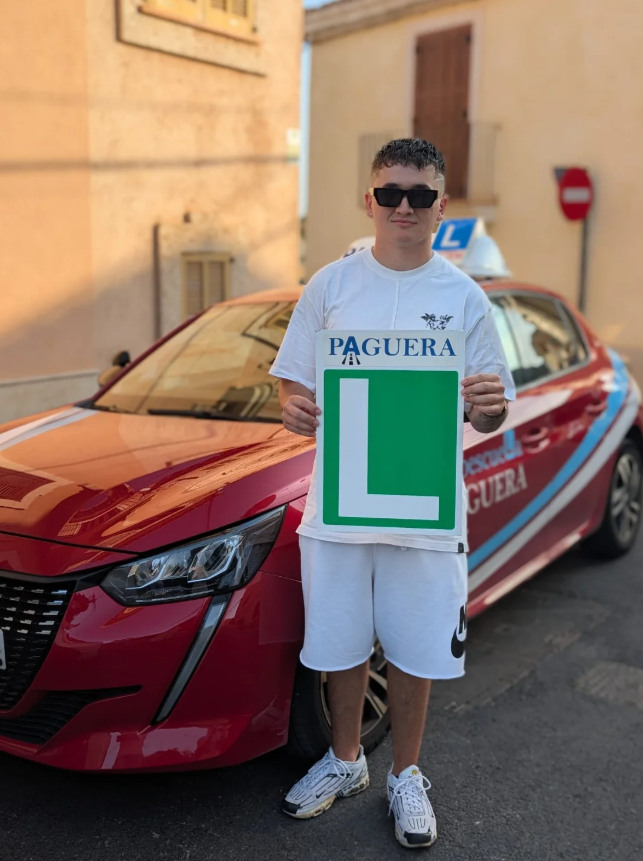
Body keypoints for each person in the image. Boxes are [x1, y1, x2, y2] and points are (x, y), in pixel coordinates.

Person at [270, 139, 515, 850]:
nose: (403, 207)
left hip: (424, 513)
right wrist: (291, 405)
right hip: (339, 508)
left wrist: (488, 404)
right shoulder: (329, 286)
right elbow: (292, 382)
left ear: (440, 205)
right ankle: (346, 762)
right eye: (389, 193)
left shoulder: (463, 297)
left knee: (413, 649)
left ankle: (405, 774)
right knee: (340, 643)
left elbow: (491, 413)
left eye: (418, 195)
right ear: (367, 200)